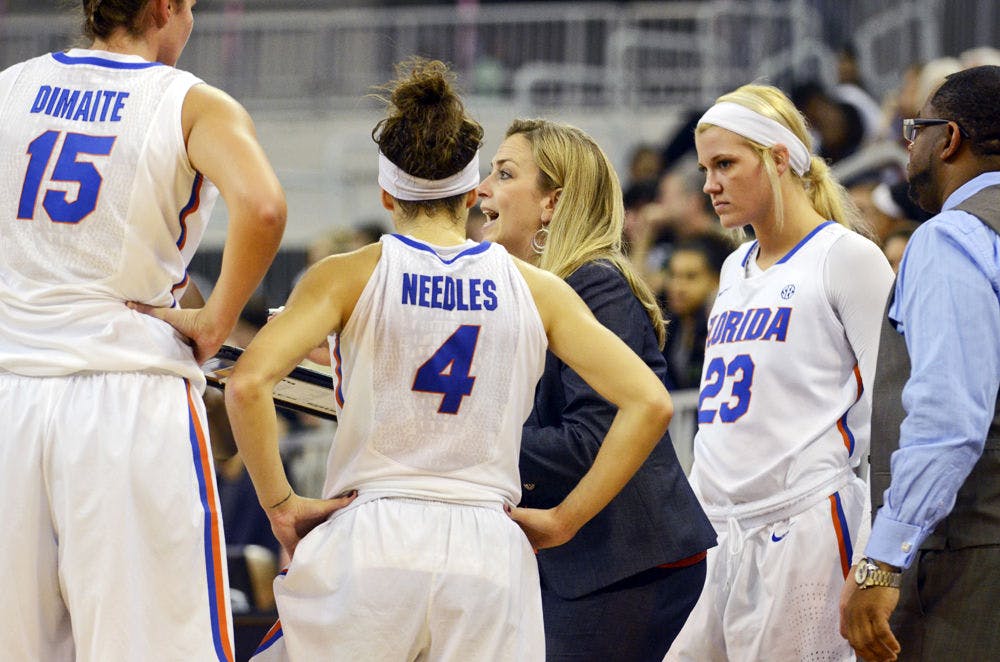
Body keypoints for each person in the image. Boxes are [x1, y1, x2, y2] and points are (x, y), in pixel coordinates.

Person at [209, 58, 672, 661]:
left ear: (385, 191)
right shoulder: (537, 289)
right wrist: (563, 521)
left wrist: (281, 505)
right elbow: (652, 403)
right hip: (487, 548)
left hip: (374, 538)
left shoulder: (348, 274)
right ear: (470, 192)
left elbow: (246, 384)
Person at [0, 0, 287, 659]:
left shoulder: (11, 85)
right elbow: (265, 207)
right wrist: (217, 319)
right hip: (124, 398)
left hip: (11, 396)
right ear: (163, 8)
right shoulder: (188, 101)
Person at [666, 83, 894, 661]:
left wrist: (880, 553)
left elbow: (892, 410)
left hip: (805, 522)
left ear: (777, 158)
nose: (710, 184)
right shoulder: (734, 266)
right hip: (722, 527)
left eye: (725, 164)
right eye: (704, 168)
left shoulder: (847, 257)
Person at [477, 118, 716, 661]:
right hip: (581, 563)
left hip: (626, 563)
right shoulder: (527, 293)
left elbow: (592, 438)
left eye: (504, 173)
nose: (482, 189)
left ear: (551, 204)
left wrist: (466, 439)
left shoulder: (595, 284)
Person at [841, 64, 1000, 662]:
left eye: (917, 129)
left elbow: (950, 419)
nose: (909, 147)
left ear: (949, 138)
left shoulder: (952, 236)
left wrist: (882, 563)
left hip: (974, 559)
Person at [661, 233, 733, 390]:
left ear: (716, 281)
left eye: (690, 277)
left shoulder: (725, 330)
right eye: (673, 275)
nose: (678, 287)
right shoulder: (666, 327)